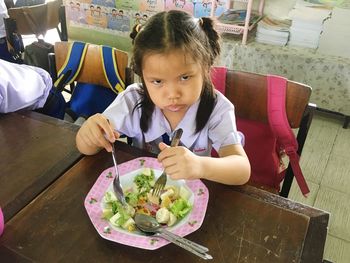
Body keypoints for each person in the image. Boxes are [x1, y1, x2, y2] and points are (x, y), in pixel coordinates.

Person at [76, 10, 251, 185]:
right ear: (142, 76)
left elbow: (242, 169)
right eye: (158, 81)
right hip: (143, 193)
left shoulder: (217, 109)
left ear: (205, 68)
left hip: (191, 197)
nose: (173, 94)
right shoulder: (133, 100)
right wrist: (89, 134)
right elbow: (85, 148)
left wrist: (201, 166)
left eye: (185, 77)